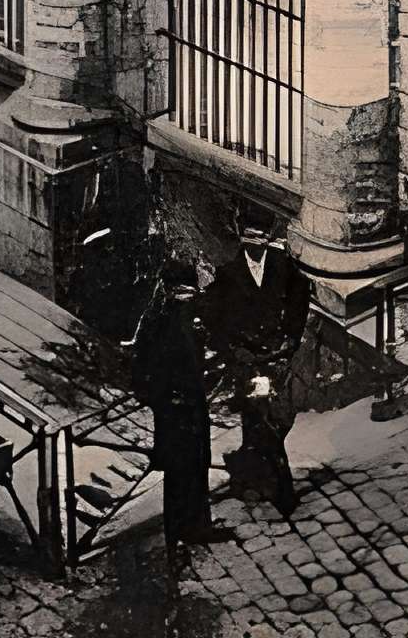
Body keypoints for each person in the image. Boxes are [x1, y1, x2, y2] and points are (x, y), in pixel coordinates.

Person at [208, 226, 312, 520]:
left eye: (261, 241)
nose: (257, 247)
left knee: (269, 419)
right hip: (247, 362)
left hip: (274, 357)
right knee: (258, 419)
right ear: (243, 242)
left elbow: (300, 295)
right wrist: (233, 351)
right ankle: (279, 488)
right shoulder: (228, 273)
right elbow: (217, 320)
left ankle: (259, 476)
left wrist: (291, 335)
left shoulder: (282, 266)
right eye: (251, 241)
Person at [132, 257, 228, 547]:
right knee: (178, 473)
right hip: (174, 412)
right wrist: (165, 398)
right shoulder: (157, 321)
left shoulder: (188, 318)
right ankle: (178, 533)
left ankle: (197, 527)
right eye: (184, 292)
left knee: (196, 467)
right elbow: (141, 372)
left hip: (192, 407)